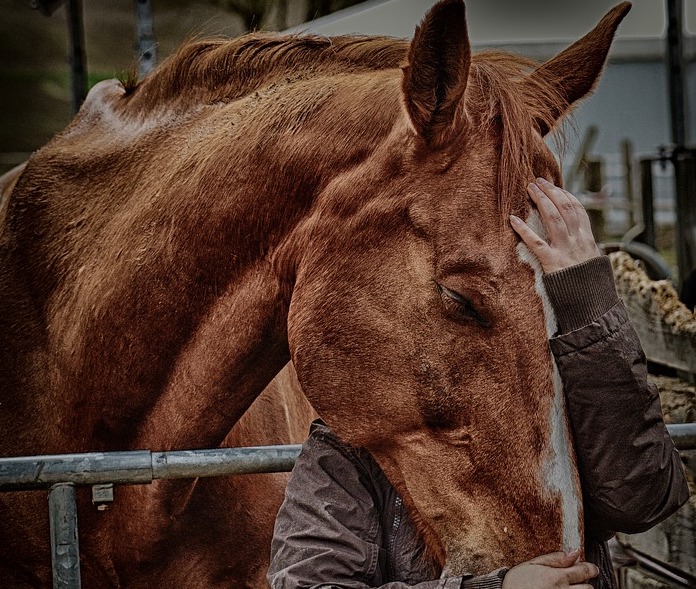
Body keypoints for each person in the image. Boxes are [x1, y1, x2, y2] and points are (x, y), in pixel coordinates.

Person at [268, 178, 690, 589]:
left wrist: (587, 303)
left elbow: (642, 499)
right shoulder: (353, 439)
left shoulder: (562, 386)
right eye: (466, 303)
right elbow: (310, 581)